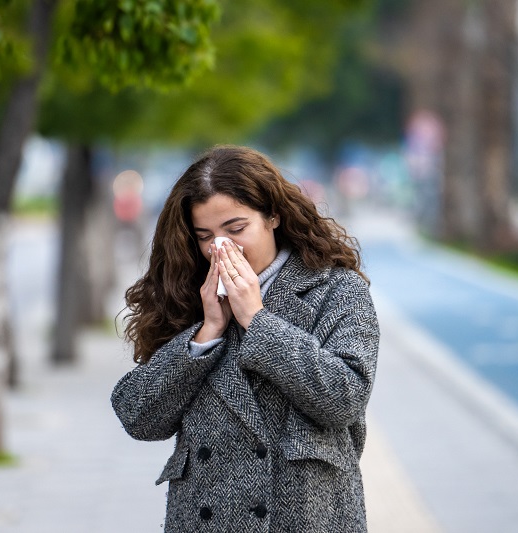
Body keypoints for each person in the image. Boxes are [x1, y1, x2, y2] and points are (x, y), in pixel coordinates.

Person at [111, 145, 380, 532]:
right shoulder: (189, 294)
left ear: (273, 215)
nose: (221, 248)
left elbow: (346, 398)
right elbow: (137, 417)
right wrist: (206, 333)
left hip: (308, 518)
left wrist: (257, 320)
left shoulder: (335, 289)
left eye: (236, 229)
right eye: (205, 236)